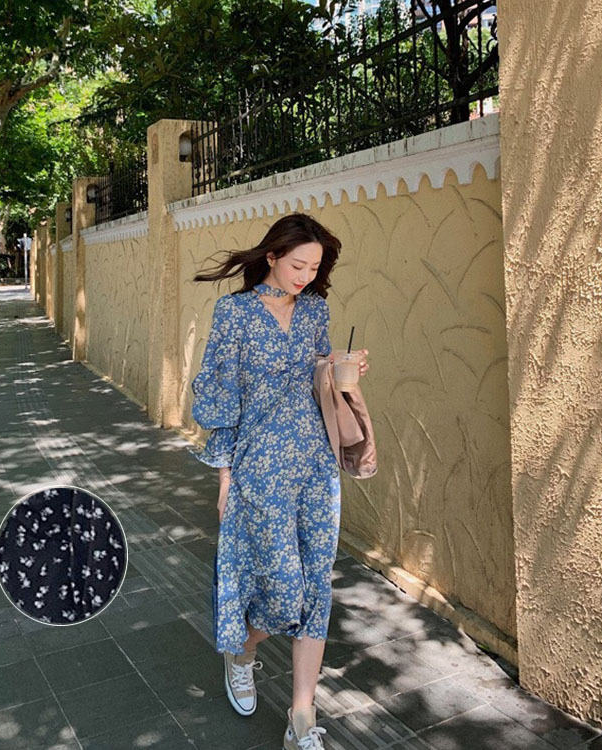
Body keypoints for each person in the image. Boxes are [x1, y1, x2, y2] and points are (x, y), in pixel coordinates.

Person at [189, 213, 369, 749]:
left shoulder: (315, 310)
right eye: (298, 265)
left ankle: (302, 718)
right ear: (271, 256)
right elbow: (221, 397)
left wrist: (342, 368)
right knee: (285, 589)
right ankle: (243, 651)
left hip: (316, 464)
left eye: (314, 268)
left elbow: (318, 376)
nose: (306, 277)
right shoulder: (235, 313)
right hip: (260, 467)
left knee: (316, 587)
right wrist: (225, 477)